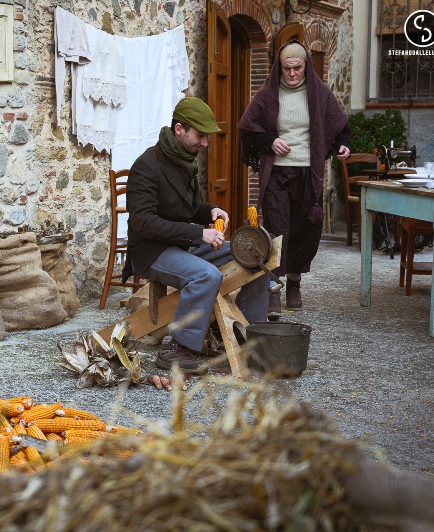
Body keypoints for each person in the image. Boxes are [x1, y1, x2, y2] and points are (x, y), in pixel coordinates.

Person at [121, 97, 269, 371]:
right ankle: (177, 348)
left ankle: (250, 338)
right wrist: (199, 233)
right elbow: (144, 223)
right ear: (179, 130)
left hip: (182, 243)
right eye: (200, 136)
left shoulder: (185, 160)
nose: (205, 143)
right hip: (152, 250)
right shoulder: (146, 166)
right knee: (206, 276)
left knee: (254, 256)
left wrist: (210, 211)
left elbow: (190, 208)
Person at [238, 41, 351, 319]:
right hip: (278, 173)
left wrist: (342, 146)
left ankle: (295, 283)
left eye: (297, 68)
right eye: (287, 68)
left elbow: (340, 125)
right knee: (277, 231)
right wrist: (270, 141)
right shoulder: (267, 94)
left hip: (308, 174)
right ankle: (274, 290)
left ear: (305, 67)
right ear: (280, 68)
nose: (292, 74)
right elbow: (248, 129)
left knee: (304, 230)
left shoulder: (319, 94)